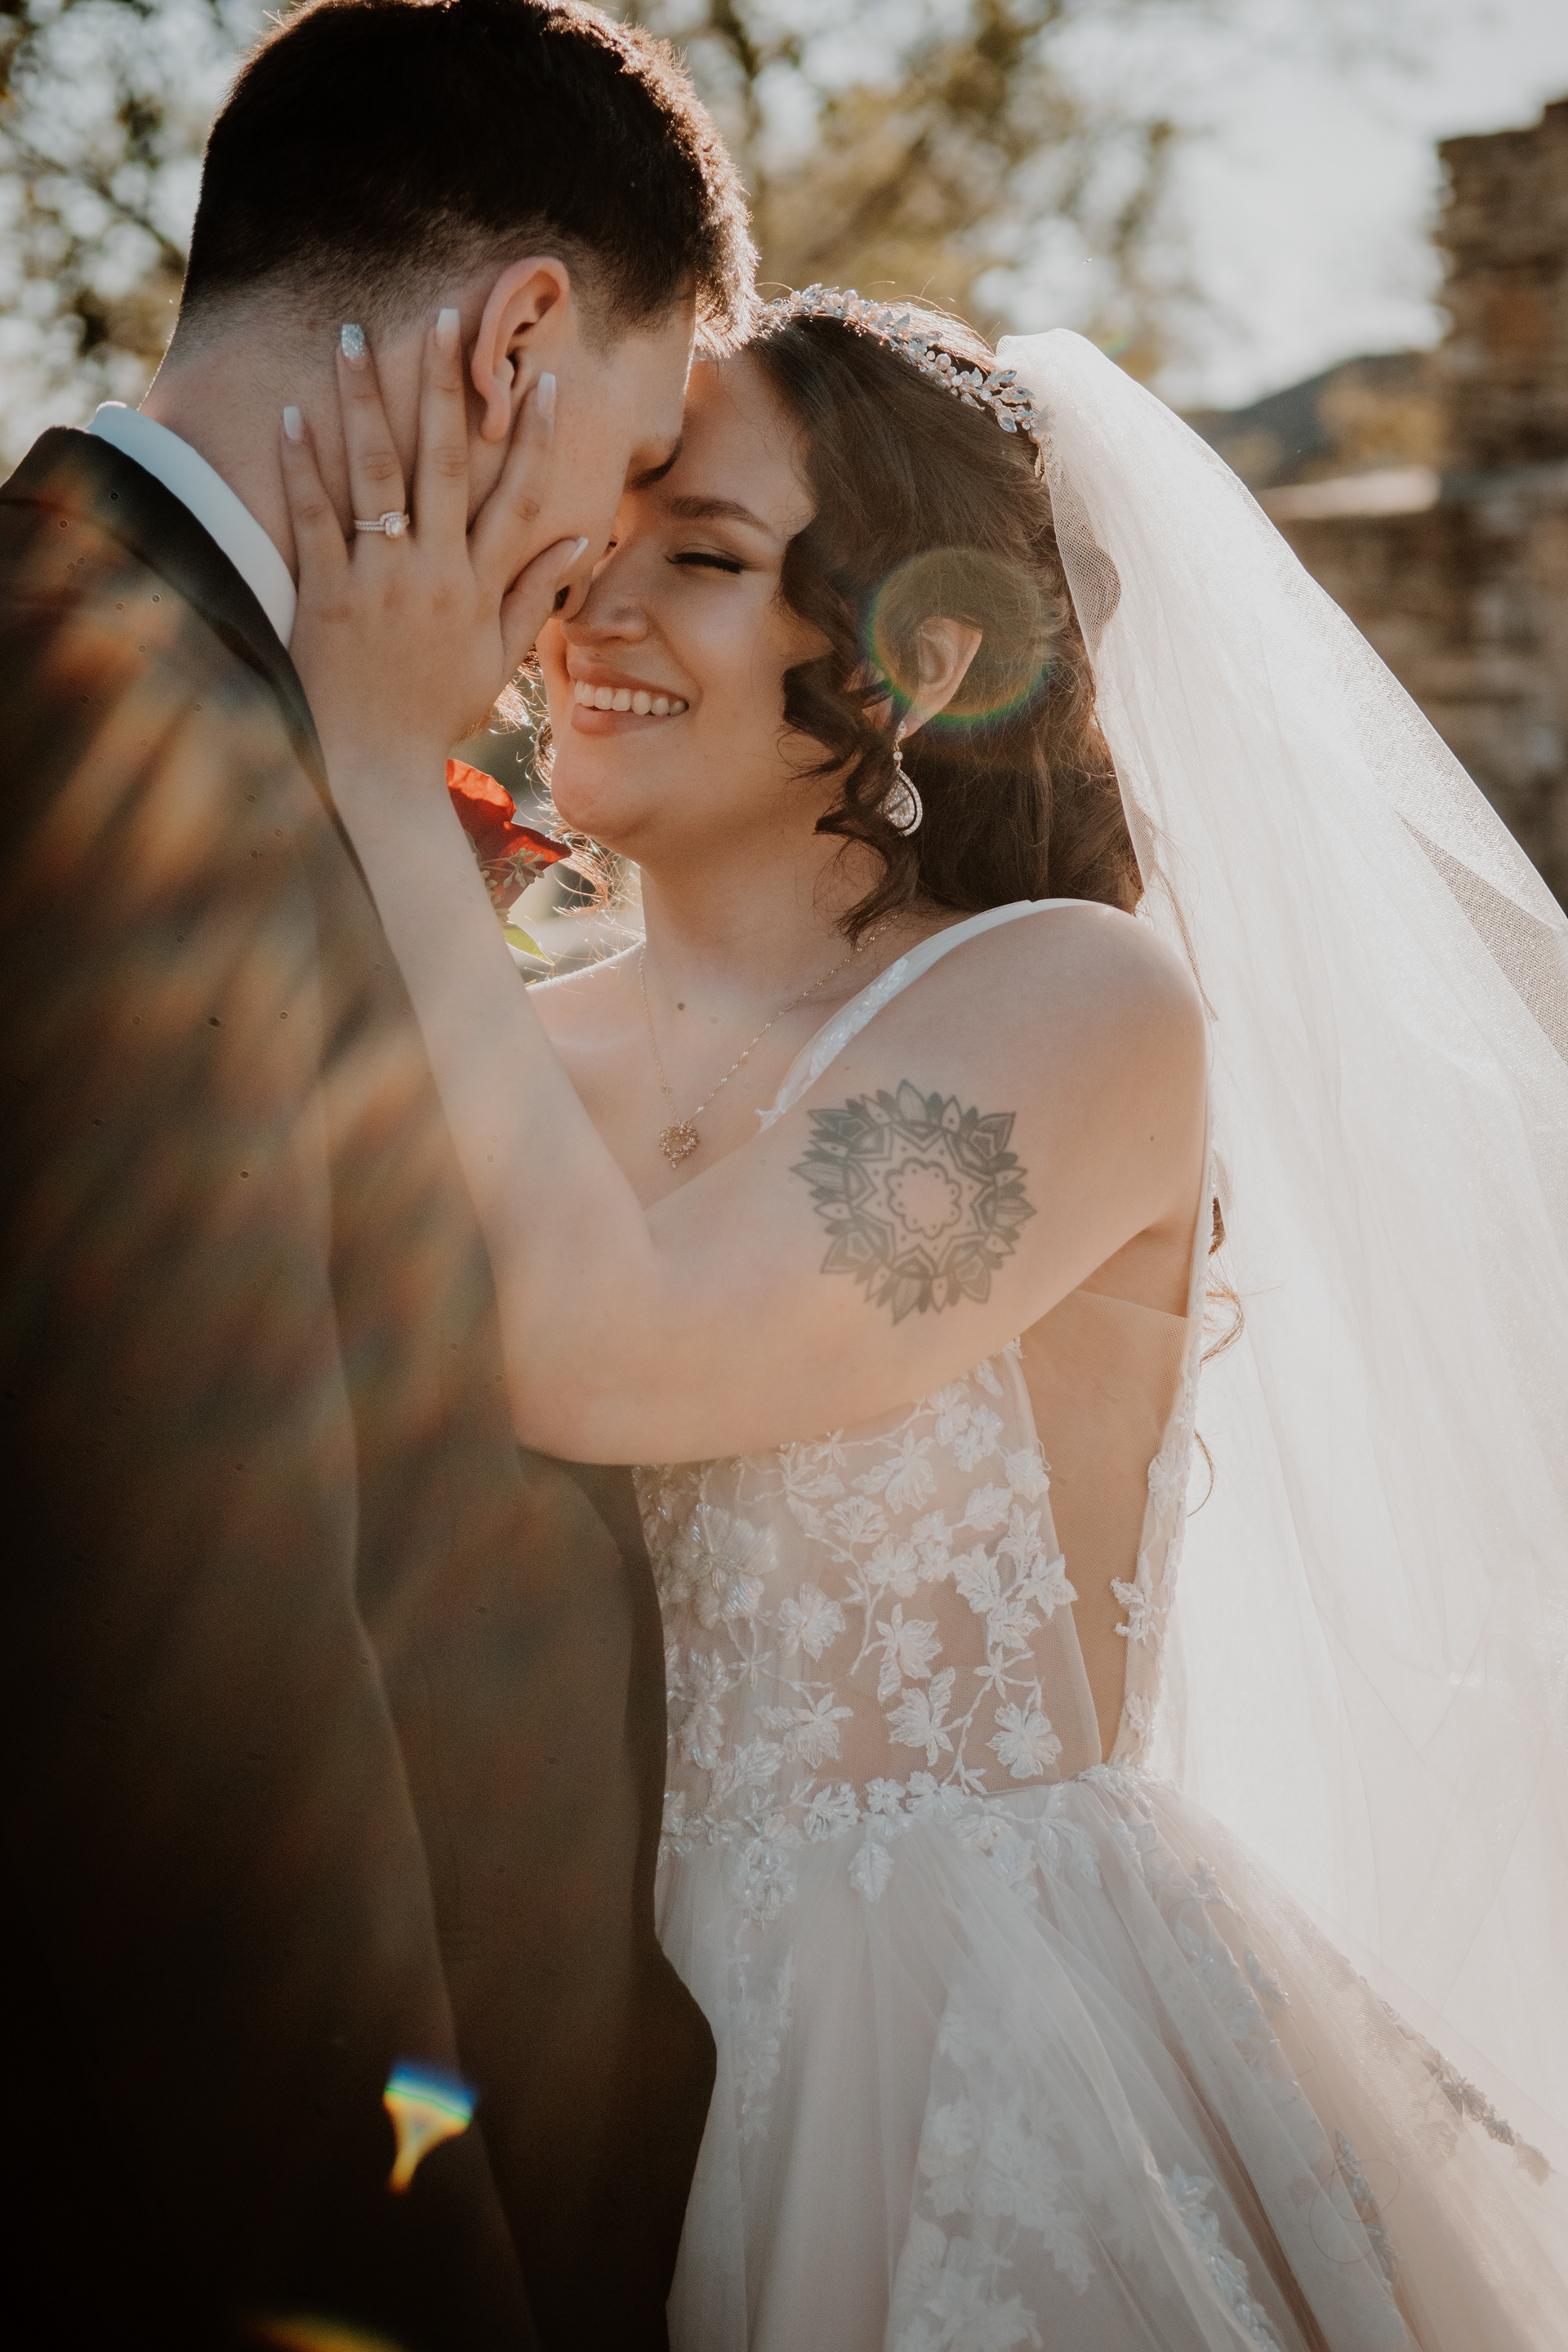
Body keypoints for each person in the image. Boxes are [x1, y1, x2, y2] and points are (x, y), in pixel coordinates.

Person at [282, 285, 1568, 2350]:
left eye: (705, 557)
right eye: (594, 537)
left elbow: (623, 1352)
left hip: (973, 2050)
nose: (596, 605)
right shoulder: (510, 1039)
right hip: (554, 2045)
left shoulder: (1077, 1006)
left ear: (923, 656)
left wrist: (366, 747)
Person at [0, 3, 754, 2345]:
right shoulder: (106, 723)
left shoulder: (184, 682)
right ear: (518, 339)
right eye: (635, 454)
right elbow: (189, 1677)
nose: (597, 568)